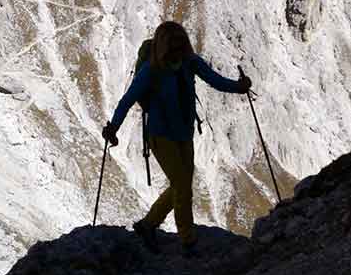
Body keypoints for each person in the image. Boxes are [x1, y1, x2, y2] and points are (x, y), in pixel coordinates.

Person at [102, 20, 251, 256]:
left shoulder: (189, 62)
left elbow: (215, 80)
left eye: (180, 45)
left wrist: (239, 87)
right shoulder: (152, 70)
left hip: (183, 134)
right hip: (161, 137)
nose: (178, 50)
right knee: (182, 187)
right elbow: (128, 99)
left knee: (180, 186)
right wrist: (113, 127)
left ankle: (148, 225)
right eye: (174, 45)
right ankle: (188, 241)